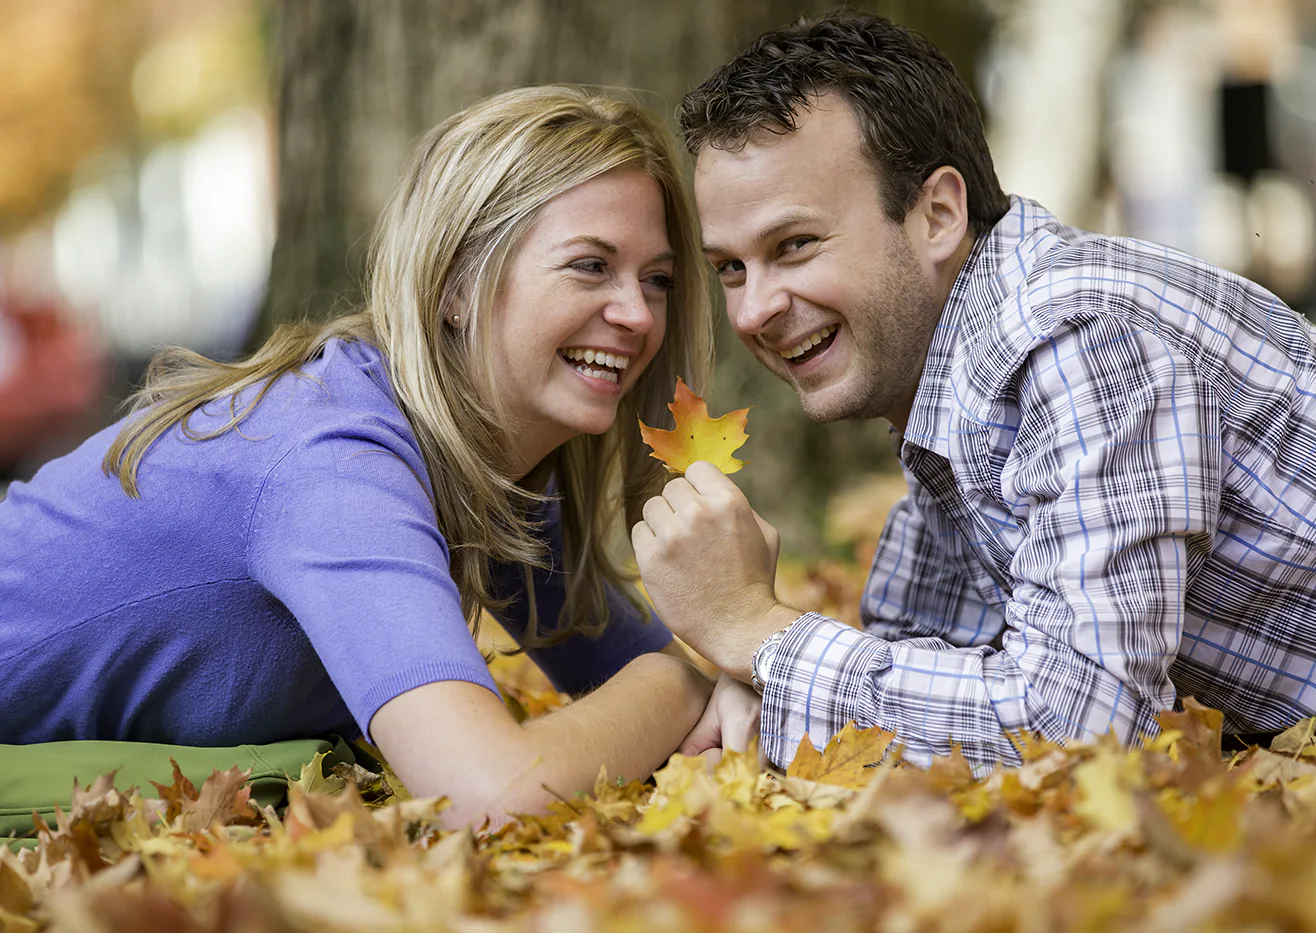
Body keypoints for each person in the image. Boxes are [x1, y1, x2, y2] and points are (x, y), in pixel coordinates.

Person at [632, 12, 1316, 774]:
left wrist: (756, 631)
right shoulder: (956, 385)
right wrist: (761, 684)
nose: (754, 309)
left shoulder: (1079, 338)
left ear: (938, 215)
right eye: (731, 267)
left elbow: (1080, 728)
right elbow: (926, 650)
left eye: (794, 245)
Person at [0, 86, 759, 829]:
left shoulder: (483, 459)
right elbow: (489, 792)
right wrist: (676, 678)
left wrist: (729, 646)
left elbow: (656, 691)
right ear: (457, 285)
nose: (635, 313)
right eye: (590, 265)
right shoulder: (336, 462)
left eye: (655, 279)